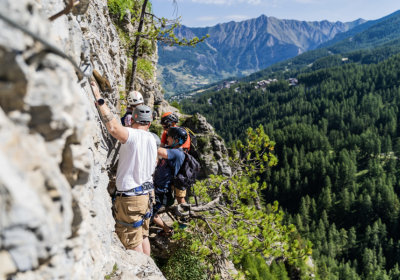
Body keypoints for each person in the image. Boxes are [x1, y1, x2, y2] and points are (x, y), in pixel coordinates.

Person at [91, 81, 156, 256]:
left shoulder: (132, 135)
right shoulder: (152, 139)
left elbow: (112, 127)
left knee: (131, 243)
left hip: (131, 198)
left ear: (133, 119)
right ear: (149, 122)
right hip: (147, 195)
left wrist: (98, 97)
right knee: (142, 235)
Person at [152, 127, 188, 236]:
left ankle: (167, 230)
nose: (167, 139)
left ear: (176, 140)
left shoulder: (177, 153)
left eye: (170, 137)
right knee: (150, 210)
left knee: (150, 213)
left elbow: (157, 149)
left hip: (162, 189)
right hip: (158, 186)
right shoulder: (171, 150)